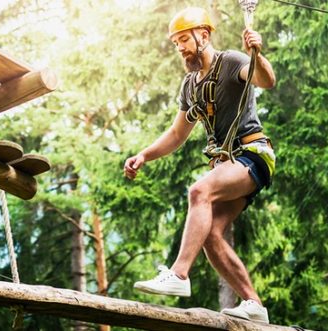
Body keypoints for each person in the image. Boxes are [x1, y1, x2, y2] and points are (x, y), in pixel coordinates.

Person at [123, 6, 276, 323]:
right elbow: (177, 133)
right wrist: (144, 155)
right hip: (229, 163)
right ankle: (254, 305)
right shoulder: (190, 85)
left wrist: (256, 53)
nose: (180, 47)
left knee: (199, 191)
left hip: (252, 153)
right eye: (176, 42)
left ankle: (179, 274)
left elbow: (266, 80)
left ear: (203, 35)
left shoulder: (233, 62)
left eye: (183, 40)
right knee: (210, 235)